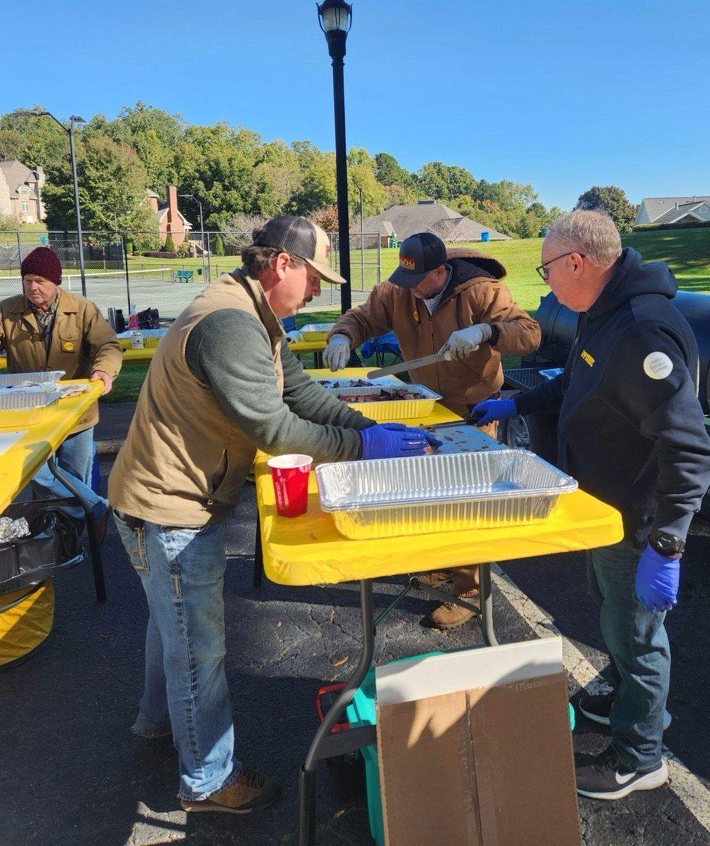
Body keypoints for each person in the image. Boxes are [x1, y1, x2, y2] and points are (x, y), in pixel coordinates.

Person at [108, 216, 439, 816]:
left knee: (172, 624)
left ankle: (158, 721)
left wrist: (370, 427)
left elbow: (302, 395)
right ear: (282, 265)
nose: (318, 292)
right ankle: (207, 782)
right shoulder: (232, 324)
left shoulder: (258, 316)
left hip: (167, 497)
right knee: (196, 647)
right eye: (314, 278)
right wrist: (366, 450)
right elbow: (274, 427)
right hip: (172, 507)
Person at [472, 210, 710, 800]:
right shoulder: (603, 317)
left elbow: (690, 447)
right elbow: (576, 384)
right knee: (613, 614)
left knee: (638, 634)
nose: (546, 282)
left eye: (547, 268)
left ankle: (640, 756)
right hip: (600, 508)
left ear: (577, 263)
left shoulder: (639, 331)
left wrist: (668, 542)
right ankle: (622, 691)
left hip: (636, 518)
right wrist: (517, 404)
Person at [324, 231, 541, 628]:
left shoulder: (481, 291)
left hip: (475, 408)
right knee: (427, 493)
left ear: (441, 271)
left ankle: (469, 590)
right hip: (424, 407)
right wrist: (342, 334)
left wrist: (486, 332)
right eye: (403, 279)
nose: (408, 289)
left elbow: (528, 332)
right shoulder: (399, 289)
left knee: (467, 499)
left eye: (417, 280)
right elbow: (362, 316)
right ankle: (441, 566)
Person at [0, 246, 122, 541]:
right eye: (27, 280)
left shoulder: (82, 310)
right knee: (33, 472)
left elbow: (108, 345)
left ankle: (73, 540)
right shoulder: (7, 311)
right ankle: (96, 508)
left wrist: (104, 371)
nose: (33, 287)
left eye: (40, 280)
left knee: (73, 476)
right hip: (30, 413)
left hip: (76, 413)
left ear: (57, 281)